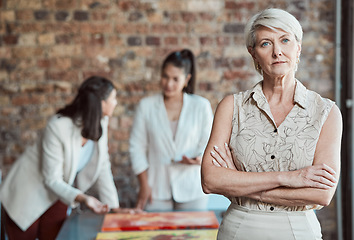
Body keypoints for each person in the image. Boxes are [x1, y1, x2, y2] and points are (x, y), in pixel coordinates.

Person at [201, 8, 342, 240]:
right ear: (253, 53)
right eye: (266, 43)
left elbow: (322, 193)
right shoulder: (231, 107)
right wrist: (288, 178)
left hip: (299, 233)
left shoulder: (326, 112)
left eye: (285, 40)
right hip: (239, 231)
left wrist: (239, 181)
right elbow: (210, 180)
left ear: (298, 48)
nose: (278, 52)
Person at [0, 76, 139, 240]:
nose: (116, 103)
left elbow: (102, 166)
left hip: (59, 195)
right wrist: (84, 198)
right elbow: (51, 179)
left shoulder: (101, 122)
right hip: (27, 192)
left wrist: (113, 207)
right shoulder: (58, 126)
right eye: (113, 98)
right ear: (101, 103)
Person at [129, 49, 214, 211]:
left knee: (193, 235)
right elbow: (136, 148)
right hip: (156, 187)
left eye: (175, 79)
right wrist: (144, 185)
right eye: (165, 77)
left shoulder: (201, 106)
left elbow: (209, 143)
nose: (169, 84)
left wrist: (199, 158)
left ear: (186, 79)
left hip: (192, 188)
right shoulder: (146, 106)